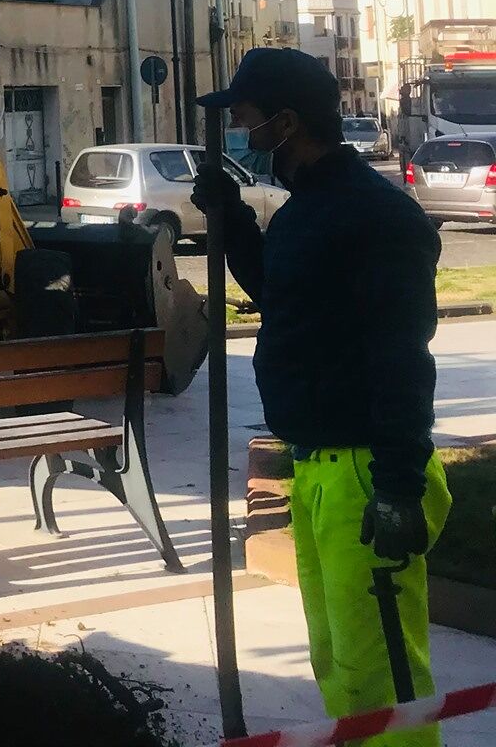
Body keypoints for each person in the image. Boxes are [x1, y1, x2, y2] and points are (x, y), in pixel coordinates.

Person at [192, 48, 448, 747]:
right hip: (316, 467)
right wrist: (235, 221)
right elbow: (285, 298)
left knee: (382, 677)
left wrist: (396, 485)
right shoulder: (309, 211)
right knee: (338, 664)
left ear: (286, 122)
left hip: (366, 473)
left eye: (246, 120)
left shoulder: (375, 216)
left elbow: (401, 356)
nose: (241, 132)